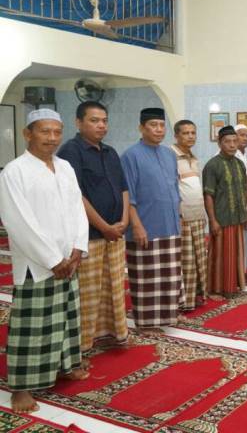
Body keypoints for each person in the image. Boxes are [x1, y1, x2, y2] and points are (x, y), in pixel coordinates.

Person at [0, 109, 90, 413]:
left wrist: (77, 247)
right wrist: (52, 259)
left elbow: (77, 208)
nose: (52, 138)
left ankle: (66, 365)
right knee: (32, 327)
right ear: (28, 134)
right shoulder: (14, 171)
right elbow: (18, 221)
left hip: (69, 260)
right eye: (44, 131)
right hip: (37, 264)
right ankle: (21, 387)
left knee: (65, 318)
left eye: (56, 132)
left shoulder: (65, 167)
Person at [57, 101, 129, 354]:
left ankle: (111, 334)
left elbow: (123, 188)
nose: (101, 125)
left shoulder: (110, 152)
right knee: (88, 295)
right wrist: (104, 226)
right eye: (94, 120)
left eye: (104, 121)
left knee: (112, 288)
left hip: (115, 234)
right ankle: (83, 345)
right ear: (79, 122)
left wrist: (124, 221)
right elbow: (76, 196)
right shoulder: (71, 151)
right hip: (90, 237)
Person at [121, 107, 183, 330]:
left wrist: (179, 217)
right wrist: (136, 225)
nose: (159, 129)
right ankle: (147, 321)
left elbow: (174, 188)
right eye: (153, 125)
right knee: (146, 276)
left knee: (169, 275)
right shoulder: (130, 156)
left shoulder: (169, 154)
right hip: (146, 226)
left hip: (171, 225)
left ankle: (168, 315)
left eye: (162, 125)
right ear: (141, 128)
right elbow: (128, 195)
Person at [202, 126, 247, 297]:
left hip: (237, 217)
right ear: (219, 143)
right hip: (221, 219)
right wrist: (212, 220)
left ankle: (233, 286)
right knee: (221, 255)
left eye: (235, 141)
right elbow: (208, 195)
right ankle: (218, 288)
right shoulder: (212, 165)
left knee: (236, 254)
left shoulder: (239, 164)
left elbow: (244, 191)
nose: (232, 145)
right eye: (228, 142)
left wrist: (246, 214)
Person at [170, 120, 208, 310]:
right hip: (183, 217)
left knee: (199, 259)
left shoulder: (194, 157)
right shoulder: (171, 156)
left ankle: (196, 296)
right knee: (186, 262)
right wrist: (177, 215)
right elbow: (171, 188)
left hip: (197, 216)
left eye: (193, 133)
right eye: (185, 133)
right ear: (176, 135)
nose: (190, 136)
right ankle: (184, 301)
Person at [234, 124, 247, 279]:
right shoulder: (228, 155)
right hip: (235, 205)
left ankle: (246, 270)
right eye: (242, 135)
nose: (245, 138)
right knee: (236, 240)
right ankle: (235, 271)